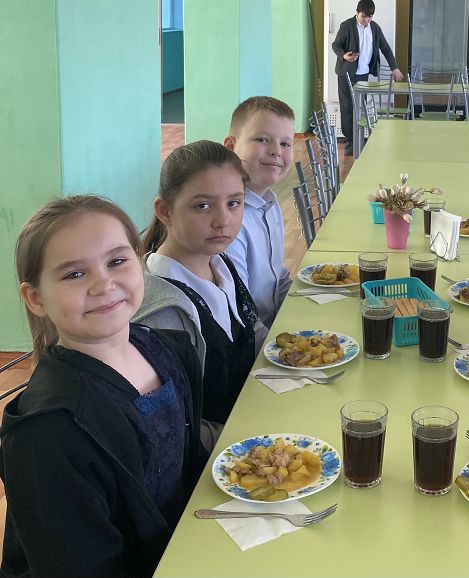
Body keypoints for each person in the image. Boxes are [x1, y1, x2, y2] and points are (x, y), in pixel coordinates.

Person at [1, 195, 206, 577]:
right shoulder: (48, 430)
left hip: (187, 549)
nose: (103, 284)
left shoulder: (165, 348)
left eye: (116, 261)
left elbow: (188, 464)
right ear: (36, 298)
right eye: (74, 274)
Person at [140, 140, 259, 431]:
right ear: (165, 211)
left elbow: (253, 331)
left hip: (255, 415)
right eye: (203, 206)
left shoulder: (220, 263)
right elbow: (172, 425)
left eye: (234, 203)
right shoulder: (160, 314)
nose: (223, 220)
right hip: (219, 450)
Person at [223, 96, 294, 344]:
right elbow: (241, 311)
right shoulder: (229, 221)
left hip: (274, 330)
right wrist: (285, 346)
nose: (276, 151)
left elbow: (279, 276)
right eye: (263, 140)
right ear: (231, 147)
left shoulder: (270, 203)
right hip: (253, 346)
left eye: (285, 143)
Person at [332, 0, 404, 156]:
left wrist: (395, 68)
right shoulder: (347, 25)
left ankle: (359, 138)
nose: (366, 20)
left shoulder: (375, 28)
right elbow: (336, 45)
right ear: (357, 13)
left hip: (364, 74)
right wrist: (344, 56)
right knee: (347, 108)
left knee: (360, 108)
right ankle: (350, 142)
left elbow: (386, 49)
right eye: (363, 16)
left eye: (369, 17)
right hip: (346, 73)